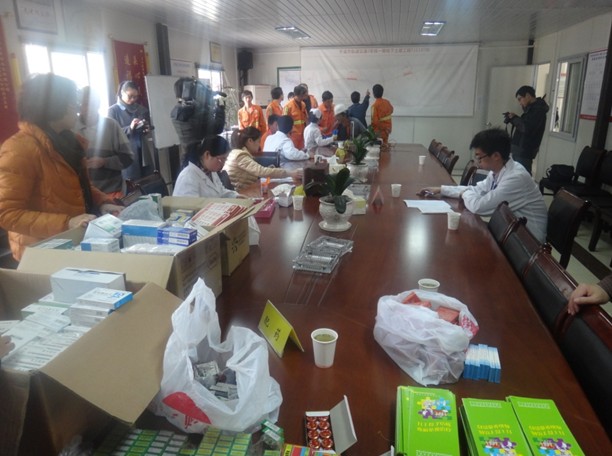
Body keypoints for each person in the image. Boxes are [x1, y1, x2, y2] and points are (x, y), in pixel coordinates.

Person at [0, 74, 122, 261]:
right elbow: (7, 213)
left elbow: (78, 187)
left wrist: (102, 202)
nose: (77, 110)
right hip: (41, 252)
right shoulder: (19, 149)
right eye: (73, 104)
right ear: (54, 107)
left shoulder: (68, 142)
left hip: (73, 242)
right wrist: (67, 222)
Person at [418, 128, 548, 242]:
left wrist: (464, 194)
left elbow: (479, 207)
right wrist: (441, 189)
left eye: (479, 157)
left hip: (528, 243)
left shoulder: (516, 178)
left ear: (496, 156)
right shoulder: (498, 170)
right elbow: (476, 190)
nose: (477, 162)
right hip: (511, 231)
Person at [78, 87, 134, 199]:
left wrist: (104, 162)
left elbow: (128, 158)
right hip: (81, 194)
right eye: (84, 104)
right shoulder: (70, 129)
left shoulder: (111, 125)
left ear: (98, 104)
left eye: (92, 103)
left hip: (111, 192)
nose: (88, 108)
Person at [223, 127, 302, 191]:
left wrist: (270, 170)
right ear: (250, 141)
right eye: (258, 142)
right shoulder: (240, 156)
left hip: (246, 190)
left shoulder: (237, 153)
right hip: (243, 193)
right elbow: (261, 171)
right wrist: (290, 173)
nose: (259, 145)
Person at [108, 80, 154, 180]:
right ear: (122, 93)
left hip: (143, 151)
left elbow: (145, 127)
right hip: (126, 153)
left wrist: (146, 129)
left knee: (149, 180)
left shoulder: (140, 109)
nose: (133, 99)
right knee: (132, 183)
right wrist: (130, 128)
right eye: (130, 96)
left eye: (135, 97)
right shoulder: (113, 111)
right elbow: (112, 134)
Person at [173, 136, 239, 198]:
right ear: (207, 155)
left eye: (225, 159)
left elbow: (221, 192)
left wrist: (236, 196)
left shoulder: (211, 171)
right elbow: (190, 205)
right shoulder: (188, 177)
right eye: (221, 159)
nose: (223, 163)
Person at [504, 85, 549, 175]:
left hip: (525, 151)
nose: (520, 103)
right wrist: (513, 118)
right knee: (517, 176)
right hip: (520, 150)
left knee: (523, 176)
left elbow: (526, 128)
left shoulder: (538, 110)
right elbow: (525, 124)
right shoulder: (532, 109)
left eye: (520, 99)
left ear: (528, 95)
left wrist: (514, 118)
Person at [283, 85, 308, 150]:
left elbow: (306, 118)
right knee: (293, 153)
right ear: (299, 95)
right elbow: (284, 122)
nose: (304, 97)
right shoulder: (288, 106)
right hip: (292, 136)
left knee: (302, 152)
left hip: (302, 135)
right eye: (303, 95)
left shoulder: (303, 104)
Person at [371, 83, 394, 148]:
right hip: (388, 129)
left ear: (373, 94)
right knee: (385, 146)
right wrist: (386, 128)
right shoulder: (387, 102)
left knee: (379, 148)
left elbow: (375, 122)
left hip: (379, 131)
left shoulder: (374, 106)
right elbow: (392, 110)